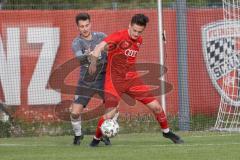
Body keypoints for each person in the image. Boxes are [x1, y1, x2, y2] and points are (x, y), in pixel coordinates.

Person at [88, 13, 184, 147]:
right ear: (129, 26)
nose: (136, 34)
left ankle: (166, 132)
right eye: (134, 30)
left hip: (132, 80)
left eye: (139, 31)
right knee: (109, 114)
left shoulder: (139, 40)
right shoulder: (118, 36)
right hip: (114, 81)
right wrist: (93, 62)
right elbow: (98, 47)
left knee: (156, 107)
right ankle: (95, 141)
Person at [70, 13, 110, 146]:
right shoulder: (77, 43)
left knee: (113, 108)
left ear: (90, 24)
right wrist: (95, 54)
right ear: (78, 27)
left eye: (87, 25)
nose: (85, 28)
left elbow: (111, 49)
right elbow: (82, 59)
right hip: (86, 81)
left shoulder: (101, 37)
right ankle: (78, 134)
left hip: (103, 79)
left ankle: (103, 133)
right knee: (75, 113)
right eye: (81, 26)